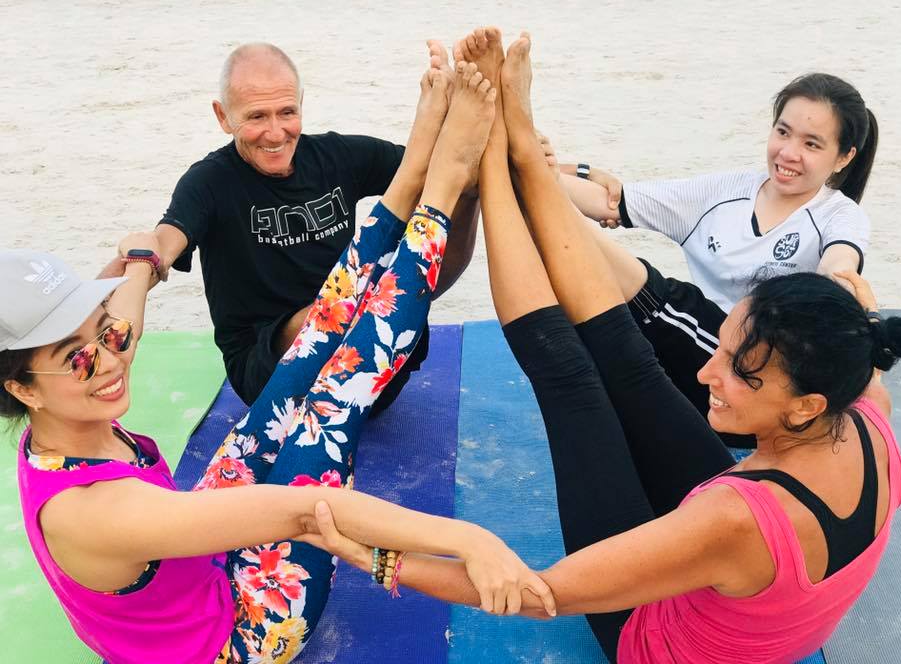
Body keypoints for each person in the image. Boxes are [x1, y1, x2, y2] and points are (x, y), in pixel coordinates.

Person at [308, 29, 901, 664]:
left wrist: (374, 558)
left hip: (649, 638)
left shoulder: (733, 518)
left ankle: (490, 162)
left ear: (807, 405)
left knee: (570, 381)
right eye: (724, 350)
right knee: (632, 359)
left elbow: (535, 594)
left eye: (740, 372)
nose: (706, 372)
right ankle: (512, 143)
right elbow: (853, 318)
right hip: (748, 559)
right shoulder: (868, 413)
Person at [1, 61, 555, 664]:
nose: (111, 360)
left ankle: (417, 169)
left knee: (311, 347)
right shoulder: (95, 511)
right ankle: (441, 190)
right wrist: (470, 541)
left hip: (195, 557)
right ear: (21, 387)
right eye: (80, 357)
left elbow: (119, 323)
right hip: (241, 636)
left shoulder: (62, 413)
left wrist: (137, 266)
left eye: (107, 333)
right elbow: (304, 514)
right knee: (339, 395)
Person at [117, 41, 480, 408]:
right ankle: (429, 122)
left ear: (301, 104)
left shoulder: (337, 156)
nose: (276, 133)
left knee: (456, 188)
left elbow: (440, 172)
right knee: (355, 299)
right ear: (223, 116)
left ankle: (447, 119)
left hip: (369, 365)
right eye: (257, 117)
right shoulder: (208, 182)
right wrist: (143, 259)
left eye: (287, 112)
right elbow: (166, 241)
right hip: (271, 374)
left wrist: (469, 132)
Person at [557, 73, 878, 445]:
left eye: (811, 144)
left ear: (844, 157)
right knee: (605, 317)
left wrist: (839, 285)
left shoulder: (840, 216)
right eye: (783, 132)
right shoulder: (724, 192)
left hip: (763, 384)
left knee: (662, 301)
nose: (788, 153)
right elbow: (609, 202)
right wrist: (556, 169)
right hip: (703, 374)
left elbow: (838, 267)